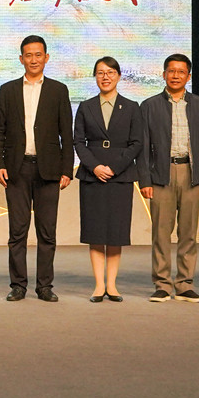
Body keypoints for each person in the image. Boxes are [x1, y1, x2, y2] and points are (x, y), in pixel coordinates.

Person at [0, 35, 73, 302]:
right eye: (28, 55)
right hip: (16, 169)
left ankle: (44, 286)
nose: (34, 59)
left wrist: (67, 169)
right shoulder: (7, 90)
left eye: (38, 54)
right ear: (21, 59)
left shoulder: (59, 90)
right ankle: (18, 285)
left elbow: (66, 133)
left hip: (48, 170)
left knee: (47, 232)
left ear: (46, 58)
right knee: (17, 231)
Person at [138, 53, 199, 303]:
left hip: (191, 174)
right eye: (171, 71)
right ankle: (162, 284)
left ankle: (184, 284)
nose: (175, 75)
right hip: (161, 175)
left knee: (188, 233)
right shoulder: (149, 105)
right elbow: (143, 146)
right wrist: (145, 181)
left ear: (188, 76)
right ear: (163, 74)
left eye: (181, 71)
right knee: (161, 233)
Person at [73, 56, 142, 302]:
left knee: (115, 232)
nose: (106, 77)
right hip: (92, 176)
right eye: (101, 72)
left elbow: (137, 143)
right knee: (95, 231)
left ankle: (112, 285)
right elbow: (78, 142)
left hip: (120, 176)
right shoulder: (86, 106)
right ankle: (98, 285)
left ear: (119, 76)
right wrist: (95, 167)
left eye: (111, 72)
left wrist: (113, 167)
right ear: (95, 77)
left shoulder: (131, 107)